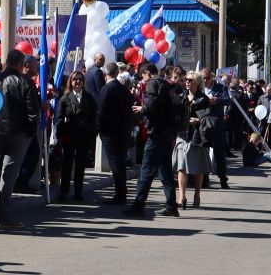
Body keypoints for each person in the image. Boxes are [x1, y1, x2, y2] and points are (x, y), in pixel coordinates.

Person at [0, 49, 40, 228]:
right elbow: (33, 112)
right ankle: (4, 215)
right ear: (21, 64)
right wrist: (30, 133)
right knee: (9, 175)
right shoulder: (25, 82)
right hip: (18, 133)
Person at [127, 65, 186, 220]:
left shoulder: (154, 83)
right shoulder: (167, 85)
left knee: (146, 170)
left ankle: (138, 206)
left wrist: (142, 108)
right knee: (165, 170)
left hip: (157, 134)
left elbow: (151, 105)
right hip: (168, 134)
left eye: (142, 76)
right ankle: (172, 206)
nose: (142, 80)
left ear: (147, 73)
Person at [56, 70, 98, 201]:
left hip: (84, 136)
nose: (78, 82)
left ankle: (78, 191)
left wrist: (92, 134)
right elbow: (59, 118)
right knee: (67, 164)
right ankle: (64, 191)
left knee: (80, 165)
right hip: (69, 135)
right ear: (71, 82)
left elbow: (94, 117)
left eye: (80, 79)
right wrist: (60, 136)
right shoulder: (65, 98)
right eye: (75, 79)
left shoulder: (89, 98)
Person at [98, 71, 134, 205]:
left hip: (110, 132)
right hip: (123, 131)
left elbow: (101, 110)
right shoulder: (124, 89)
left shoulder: (107, 89)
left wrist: (100, 128)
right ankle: (121, 193)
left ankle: (120, 195)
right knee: (120, 163)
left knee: (115, 163)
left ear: (106, 74)